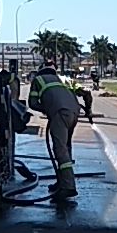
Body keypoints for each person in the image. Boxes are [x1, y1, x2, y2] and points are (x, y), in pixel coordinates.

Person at [27, 58, 82, 200]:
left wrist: (47, 109)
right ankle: (62, 181)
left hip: (59, 113)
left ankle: (69, 186)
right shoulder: (62, 80)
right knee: (66, 147)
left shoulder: (38, 80)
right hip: (74, 113)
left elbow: (32, 103)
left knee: (60, 150)